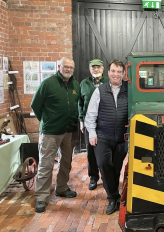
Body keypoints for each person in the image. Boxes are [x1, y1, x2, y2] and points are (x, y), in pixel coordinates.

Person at [31, 57, 81, 213]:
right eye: (66, 67)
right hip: (50, 132)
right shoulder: (48, 83)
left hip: (69, 131)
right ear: (59, 66)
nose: (68, 70)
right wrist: (47, 121)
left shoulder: (75, 85)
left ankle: (61, 187)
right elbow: (35, 105)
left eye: (71, 68)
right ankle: (41, 196)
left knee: (66, 162)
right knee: (46, 164)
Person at [85, 59, 128, 215]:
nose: (116, 74)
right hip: (103, 136)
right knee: (104, 164)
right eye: (113, 71)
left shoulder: (129, 90)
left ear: (123, 74)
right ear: (108, 72)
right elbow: (90, 114)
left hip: (123, 138)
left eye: (119, 71)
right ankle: (113, 198)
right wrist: (92, 133)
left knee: (116, 168)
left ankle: (114, 194)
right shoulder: (100, 90)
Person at [78, 59, 109, 190]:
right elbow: (80, 103)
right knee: (91, 152)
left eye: (98, 67)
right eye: (93, 67)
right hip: (89, 123)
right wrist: (81, 120)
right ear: (90, 69)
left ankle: (107, 177)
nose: (96, 69)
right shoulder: (84, 84)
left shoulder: (109, 82)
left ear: (103, 69)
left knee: (106, 152)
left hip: (106, 123)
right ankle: (94, 177)